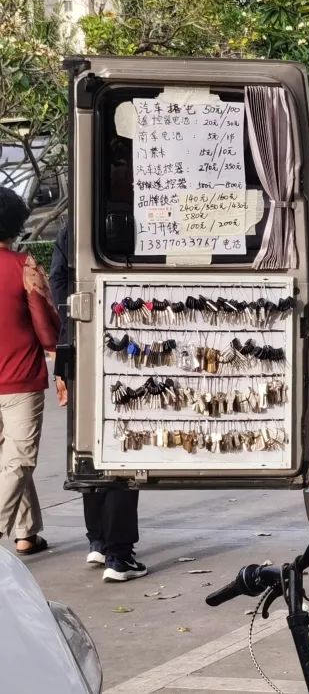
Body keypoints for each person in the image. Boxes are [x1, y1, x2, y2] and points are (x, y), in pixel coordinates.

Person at [50, 220, 147, 582]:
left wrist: (71, 323)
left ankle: (98, 540)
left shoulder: (69, 226)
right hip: (126, 340)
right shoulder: (131, 220)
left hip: (75, 341)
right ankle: (118, 555)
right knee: (124, 447)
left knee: (89, 445)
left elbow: (58, 282)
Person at [0, 187, 60, 556]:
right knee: (18, 460)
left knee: (9, 460)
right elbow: (45, 323)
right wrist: (61, 362)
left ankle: (27, 531)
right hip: (21, 378)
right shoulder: (24, 267)